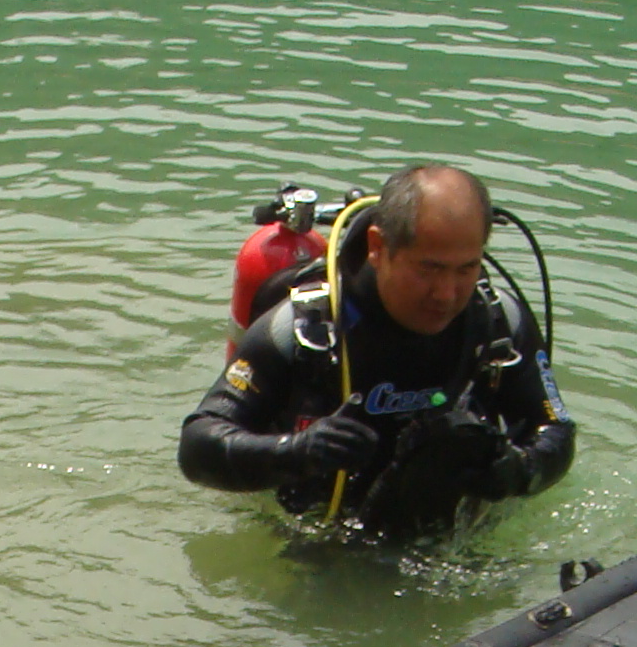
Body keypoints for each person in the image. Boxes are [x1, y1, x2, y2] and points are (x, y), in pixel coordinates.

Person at [180, 162, 577, 538]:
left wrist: (521, 471)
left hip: (455, 540)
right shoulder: (303, 329)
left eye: (466, 269)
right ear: (377, 247)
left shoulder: (498, 320)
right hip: (320, 540)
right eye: (430, 269)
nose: (446, 294)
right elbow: (198, 445)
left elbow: (555, 429)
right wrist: (296, 452)